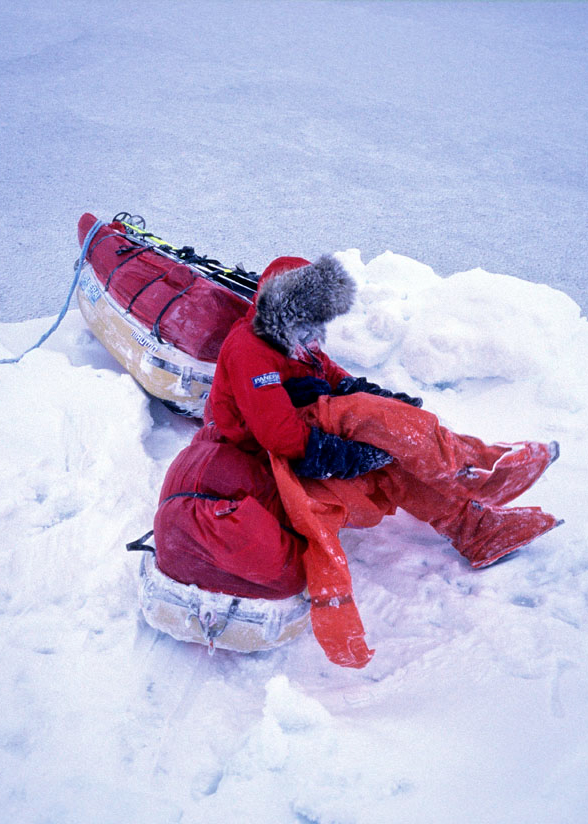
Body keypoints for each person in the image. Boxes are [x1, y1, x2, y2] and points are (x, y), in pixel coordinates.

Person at [152, 254, 561, 663]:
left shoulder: (298, 341)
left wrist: (381, 398)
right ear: (283, 307)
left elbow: (334, 377)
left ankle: (478, 529)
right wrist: (347, 456)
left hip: (289, 444)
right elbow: (280, 434)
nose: (317, 326)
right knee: (375, 439)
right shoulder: (250, 350)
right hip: (263, 453)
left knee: (387, 440)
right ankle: (476, 468)